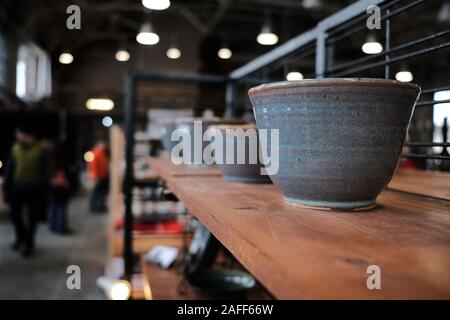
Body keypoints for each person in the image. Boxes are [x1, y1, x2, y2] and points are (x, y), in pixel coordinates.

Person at [2, 125, 49, 257]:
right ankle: (20, 237)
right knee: (15, 215)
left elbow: (45, 170)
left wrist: (45, 187)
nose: (18, 137)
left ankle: (29, 243)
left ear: (27, 135)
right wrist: (6, 186)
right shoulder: (15, 149)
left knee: (32, 218)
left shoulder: (40, 149)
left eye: (20, 134)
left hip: (34, 188)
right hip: (18, 188)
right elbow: (9, 169)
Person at [48, 142, 72, 234]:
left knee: (54, 206)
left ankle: (53, 226)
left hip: (53, 186)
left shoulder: (49, 158)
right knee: (60, 206)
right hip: (60, 187)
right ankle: (61, 227)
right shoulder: (61, 160)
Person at [88, 141, 109, 213]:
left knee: (100, 192)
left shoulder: (101, 153)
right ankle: (95, 207)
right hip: (98, 177)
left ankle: (99, 206)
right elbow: (93, 166)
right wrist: (95, 176)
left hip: (102, 176)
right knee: (97, 192)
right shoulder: (97, 153)